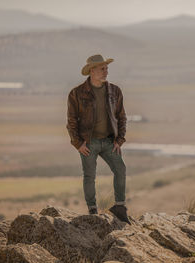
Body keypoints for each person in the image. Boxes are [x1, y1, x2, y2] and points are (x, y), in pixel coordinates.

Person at [66, 54, 130, 224]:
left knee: (121, 170)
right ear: (92, 71)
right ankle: (92, 210)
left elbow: (121, 117)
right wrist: (78, 144)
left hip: (110, 141)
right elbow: (71, 122)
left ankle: (120, 207)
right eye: (102, 68)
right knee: (89, 176)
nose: (106, 71)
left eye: (107, 68)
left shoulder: (114, 91)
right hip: (89, 142)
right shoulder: (77, 93)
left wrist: (119, 140)